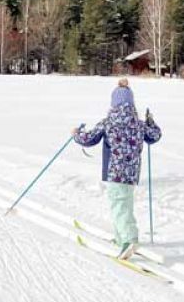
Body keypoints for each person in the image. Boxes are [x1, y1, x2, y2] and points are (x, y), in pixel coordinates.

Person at [73, 78, 161, 260]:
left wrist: (76, 134)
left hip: (114, 173)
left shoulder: (108, 122)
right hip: (131, 174)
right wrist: (151, 122)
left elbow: (88, 139)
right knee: (124, 204)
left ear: (113, 103)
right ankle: (122, 238)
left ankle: (129, 240)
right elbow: (154, 136)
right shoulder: (138, 123)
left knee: (119, 207)